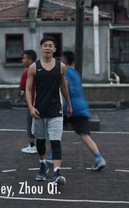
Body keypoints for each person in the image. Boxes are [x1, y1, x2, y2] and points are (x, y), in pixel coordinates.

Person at [25, 36, 72, 185]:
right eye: (45, 45)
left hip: (56, 110)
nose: (47, 48)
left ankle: (57, 173)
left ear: (54, 49)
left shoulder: (61, 67)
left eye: (50, 46)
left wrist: (69, 105)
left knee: (56, 141)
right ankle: (43, 164)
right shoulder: (34, 67)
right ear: (41, 48)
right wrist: (31, 107)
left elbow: (64, 87)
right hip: (39, 111)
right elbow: (28, 89)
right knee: (40, 140)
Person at [60, 51, 106, 171]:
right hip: (82, 107)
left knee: (53, 130)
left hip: (70, 108)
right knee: (85, 135)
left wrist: (62, 105)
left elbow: (65, 89)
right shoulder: (76, 73)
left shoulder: (64, 73)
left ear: (64, 60)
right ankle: (99, 158)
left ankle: (52, 155)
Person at [15, 50, 37, 154]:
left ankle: (32, 145)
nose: (22, 60)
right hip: (42, 101)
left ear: (30, 60)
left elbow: (23, 89)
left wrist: (17, 99)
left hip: (32, 102)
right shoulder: (40, 69)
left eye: (24, 58)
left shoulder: (27, 72)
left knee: (30, 123)